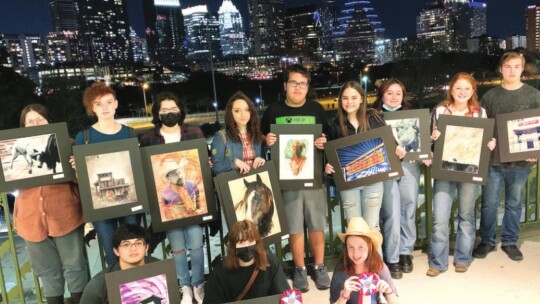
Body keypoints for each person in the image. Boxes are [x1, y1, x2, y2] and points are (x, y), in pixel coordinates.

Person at [261, 64, 330, 292]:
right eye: (293, 83)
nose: (298, 87)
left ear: (307, 86)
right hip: (287, 178)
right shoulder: (273, 111)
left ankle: (319, 266)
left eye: (302, 83)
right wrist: (266, 140)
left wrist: (323, 143)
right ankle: (300, 269)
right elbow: (262, 136)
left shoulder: (316, 110)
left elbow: (327, 137)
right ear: (285, 85)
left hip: (314, 177)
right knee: (294, 226)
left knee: (316, 223)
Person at [13, 104, 87, 304]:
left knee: (75, 266)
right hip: (31, 219)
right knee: (46, 270)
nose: (35, 124)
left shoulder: (66, 143)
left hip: (66, 216)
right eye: (30, 121)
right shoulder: (16, 148)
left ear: (49, 122)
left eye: (40, 120)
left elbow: (83, 180)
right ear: (23, 126)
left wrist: (77, 168)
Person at [427, 72, 496, 277]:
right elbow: (429, 142)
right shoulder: (439, 111)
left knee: (466, 215)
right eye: (458, 88)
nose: (462, 92)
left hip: (469, 170)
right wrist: (433, 139)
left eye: (467, 88)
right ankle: (437, 262)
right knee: (440, 217)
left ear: (473, 91)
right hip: (444, 169)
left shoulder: (479, 113)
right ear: (451, 89)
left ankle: (462, 259)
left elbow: (484, 141)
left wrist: (489, 144)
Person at [139, 92, 206, 304]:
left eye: (173, 108)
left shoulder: (194, 132)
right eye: (164, 110)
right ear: (157, 113)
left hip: (194, 201)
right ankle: (184, 285)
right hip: (166, 204)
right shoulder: (148, 138)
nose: (169, 113)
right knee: (177, 246)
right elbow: (145, 171)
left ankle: (198, 284)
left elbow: (203, 161)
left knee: (196, 243)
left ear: (180, 110)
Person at [473, 51, 540, 261]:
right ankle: (487, 240)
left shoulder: (533, 96)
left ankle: (510, 241)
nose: (512, 71)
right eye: (508, 67)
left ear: (522, 69)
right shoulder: (490, 96)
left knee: (514, 203)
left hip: (520, 162)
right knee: (489, 203)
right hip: (493, 161)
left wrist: (535, 152)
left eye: (516, 67)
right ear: (501, 69)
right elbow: (481, 126)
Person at [73, 82, 139, 266]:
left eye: (109, 102)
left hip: (129, 199)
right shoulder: (84, 138)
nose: (105, 108)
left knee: (133, 247)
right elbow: (83, 178)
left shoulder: (130, 134)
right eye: (98, 104)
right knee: (111, 252)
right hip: (100, 203)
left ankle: (136, 288)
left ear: (116, 104)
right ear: (92, 108)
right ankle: (117, 291)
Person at [326, 81, 406, 229]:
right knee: (353, 227)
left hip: (373, 182)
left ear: (362, 99)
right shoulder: (335, 125)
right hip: (349, 184)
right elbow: (331, 160)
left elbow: (392, 146)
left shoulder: (373, 118)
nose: (349, 102)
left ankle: (374, 253)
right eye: (345, 98)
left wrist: (399, 152)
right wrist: (329, 168)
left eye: (354, 97)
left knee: (372, 226)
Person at [372, 79, 421, 279]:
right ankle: (392, 257)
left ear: (403, 95)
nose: (393, 97)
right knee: (391, 212)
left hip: (409, 165)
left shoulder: (411, 116)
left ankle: (406, 252)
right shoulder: (374, 117)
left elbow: (420, 142)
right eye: (389, 93)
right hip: (386, 168)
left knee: (409, 208)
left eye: (398, 93)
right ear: (382, 95)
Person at [203, 220, 289, 303]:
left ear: (257, 242)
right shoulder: (221, 271)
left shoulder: (269, 262)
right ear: (233, 246)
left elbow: (284, 294)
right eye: (241, 242)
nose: (247, 246)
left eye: (250, 241)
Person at [80, 224, 159, 303]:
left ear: (146, 248)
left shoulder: (161, 270)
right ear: (116, 251)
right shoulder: (99, 285)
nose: (133, 248)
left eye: (138, 243)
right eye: (126, 245)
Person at [330, 217, 399, 304]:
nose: (355, 254)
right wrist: (344, 295)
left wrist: (389, 292)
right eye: (350, 247)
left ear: (369, 247)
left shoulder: (379, 267)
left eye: (361, 247)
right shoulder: (340, 271)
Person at [211, 90, 266, 176]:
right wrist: (234, 163)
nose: (243, 115)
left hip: (255, 182)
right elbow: (215, 168)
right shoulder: (221, 136)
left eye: (247, 110)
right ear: (230, 113)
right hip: (235, 185)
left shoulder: (256, 133)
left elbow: (263, 157)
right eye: (237, 111)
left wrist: (261, 160)